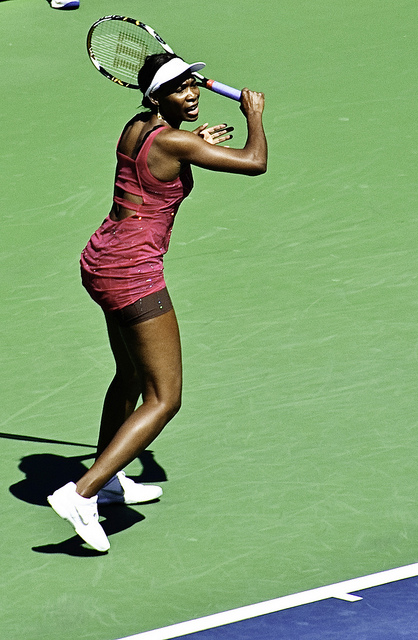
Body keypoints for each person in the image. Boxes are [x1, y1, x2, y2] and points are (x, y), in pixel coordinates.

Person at [48, 53, 267, 552]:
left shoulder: (138, 128)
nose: (192, 94)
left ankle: (107, 478)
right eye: (179, 88)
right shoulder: (174, 141)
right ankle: (80, 494)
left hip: (102, 260)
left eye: (193, 84)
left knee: (129, 376)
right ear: (156, 97)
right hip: (132, 274)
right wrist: (253, 115)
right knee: (165, 398)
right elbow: (255, 162)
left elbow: (163, 161)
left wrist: (194, 143)